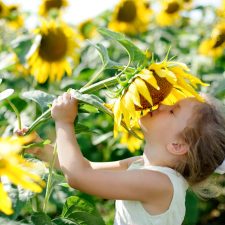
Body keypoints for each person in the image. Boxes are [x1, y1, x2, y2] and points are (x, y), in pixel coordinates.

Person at [17, 92, 225, 225]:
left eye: (172, 111)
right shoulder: (143, 166)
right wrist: (42, 150)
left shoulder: (160, 184)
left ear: (177, 146)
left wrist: (64, 123)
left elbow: (79, 176)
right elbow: (89, 168)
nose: (161, 104)